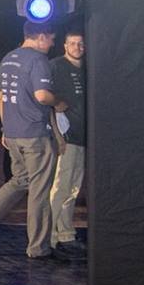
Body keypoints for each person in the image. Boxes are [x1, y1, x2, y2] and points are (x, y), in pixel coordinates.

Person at [0, 22, 65, 260]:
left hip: (12, 133)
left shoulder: (8, 59)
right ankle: (39, 248)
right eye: (51, 39)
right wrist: (58, 102)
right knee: (39, 190)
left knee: (19, 181)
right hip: (34, 135)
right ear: (41, 37)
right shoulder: (38, 60)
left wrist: (5, 127)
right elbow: (42, 96)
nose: (52, 44)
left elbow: (1, 96)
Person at [48, 27, 86, 260]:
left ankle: (66, 233)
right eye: (72, 43)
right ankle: (50, 236)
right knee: (60, 186)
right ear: (64, 45)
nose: (77, 48)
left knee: (74, 188)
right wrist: (57, 136)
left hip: (84, 137)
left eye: (81, 44)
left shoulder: (89, 69)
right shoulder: (56, 67)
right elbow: (48, 103)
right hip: (66, 136)